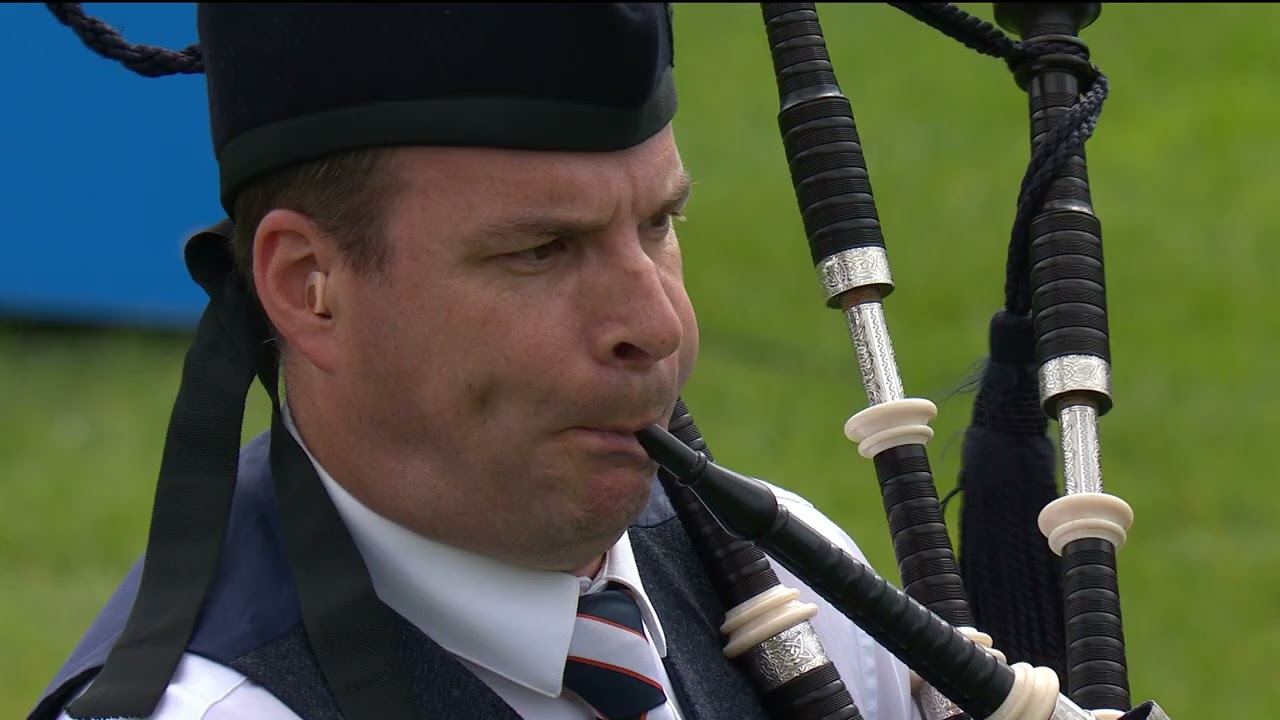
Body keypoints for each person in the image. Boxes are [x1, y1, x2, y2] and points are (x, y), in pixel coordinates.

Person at [32, 5, 923, 719]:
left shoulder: (794, 581)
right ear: (310, 287)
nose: (657, 324)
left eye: (658, 225)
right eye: (541, 249)